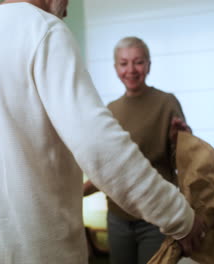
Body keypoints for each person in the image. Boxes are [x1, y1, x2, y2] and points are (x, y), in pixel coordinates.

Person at [0, 1, 204, 264]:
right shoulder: (44, 30)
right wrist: (178, 216)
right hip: (35, 252)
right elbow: (101, 148)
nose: (67, 10)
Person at [83, 36, 192, 264]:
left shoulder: (167, 103)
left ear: (149, 65)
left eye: (138, 62)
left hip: (156, 216)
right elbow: (108, 169)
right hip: (117, 217)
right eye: (124, 63)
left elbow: (184, 162)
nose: (131, 70)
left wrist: (182, 139)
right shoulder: (110, 111)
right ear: (115, 68)